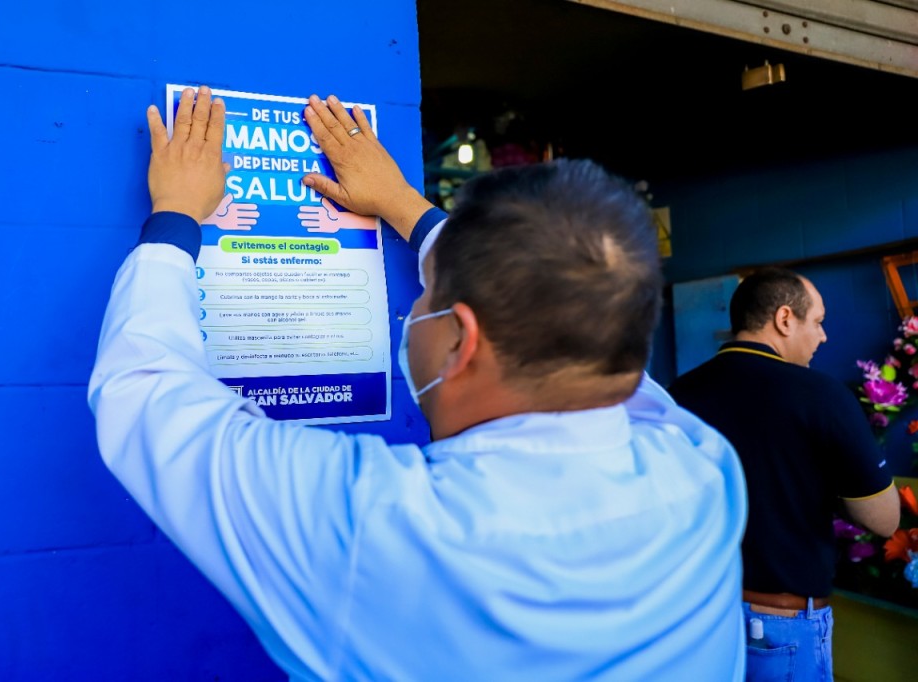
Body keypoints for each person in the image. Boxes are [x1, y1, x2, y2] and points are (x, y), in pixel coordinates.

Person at [89, 86, 747, 680]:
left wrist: (175, 216)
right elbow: (600, 345)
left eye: (427, 292)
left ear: (460, 340)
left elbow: (145, 389)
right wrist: (406, 207)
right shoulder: (704, 471)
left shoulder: (371, 524)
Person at [668, 268, 900, 682]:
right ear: (784, 319)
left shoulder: (675, 396)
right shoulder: (821, 394)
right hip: (779, 625)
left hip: (695, 616)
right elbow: (885, 520)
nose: (824, 335)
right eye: (818, 321)